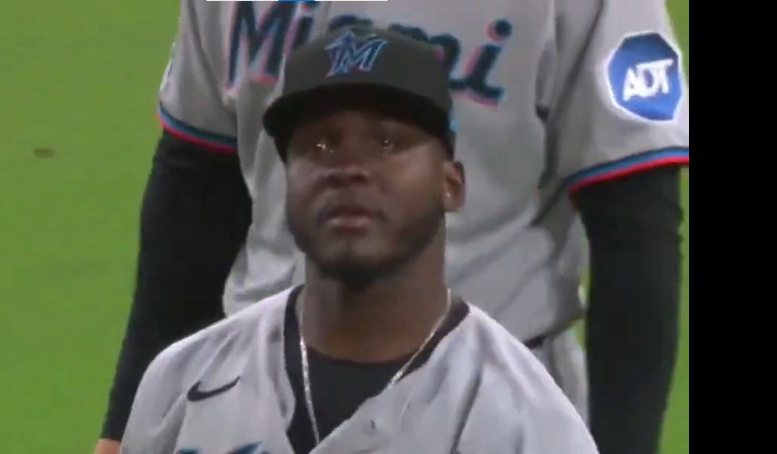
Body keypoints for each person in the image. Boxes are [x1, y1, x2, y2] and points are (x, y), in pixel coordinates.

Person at [95, 1, 689, 453]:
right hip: (240, 389)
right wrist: (124, 426)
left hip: (489, 407)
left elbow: (635, 228)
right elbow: (198, 183)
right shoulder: (182, 385)